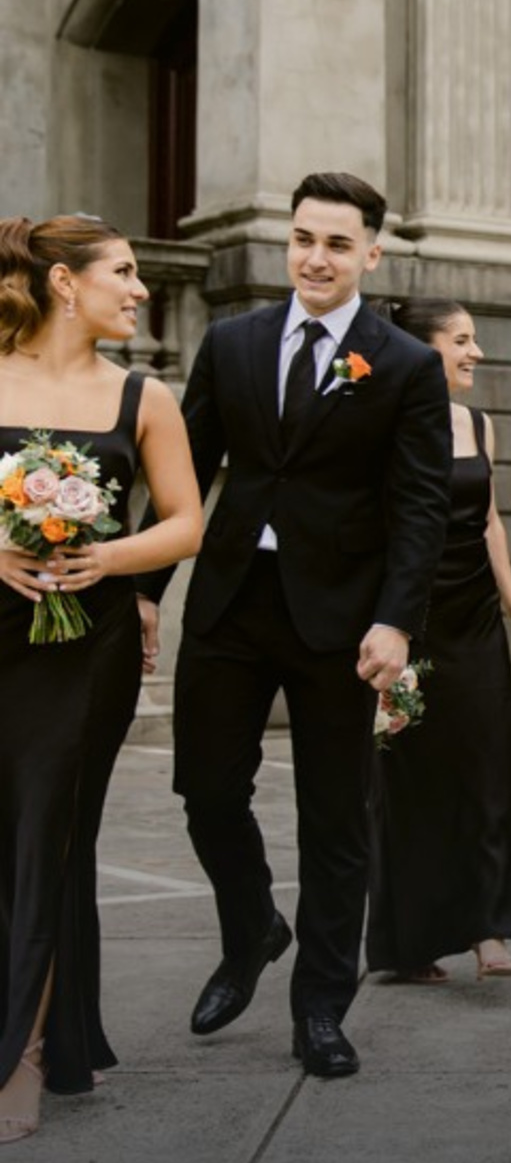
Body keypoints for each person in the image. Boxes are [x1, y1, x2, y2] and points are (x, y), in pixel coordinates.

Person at [138, 173, 454, 1080]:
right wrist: (150, 588)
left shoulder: (401, 365)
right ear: (290, 241)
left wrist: (398, 620)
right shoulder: (231, 343)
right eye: (305, 238)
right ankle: (251, 926)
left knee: (334, 818)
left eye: (338, 243)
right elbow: (185, 476)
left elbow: (421, 507)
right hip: (233, 599)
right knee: (204, 786)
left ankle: (320, 1004)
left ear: (372, 253)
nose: (317, 258)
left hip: (343, 618)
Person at [0, 217, 203, 1143]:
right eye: (123, 272)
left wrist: (109, 554)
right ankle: (58, 1030)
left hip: (90, 643)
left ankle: (25, 1059)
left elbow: (187, 521)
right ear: (62, 283)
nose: (140, 289)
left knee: (48, 825)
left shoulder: (144, 396)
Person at [366, 298, 511, 985]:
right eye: (462, 339)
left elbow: (488, 517)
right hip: (410, 618)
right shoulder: (382, 426)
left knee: (492, 763)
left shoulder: (478, 422)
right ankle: (411, 941)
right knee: (412, 778)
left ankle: (490, 929)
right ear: (422, 350)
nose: (476, 352)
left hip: (477, 619)